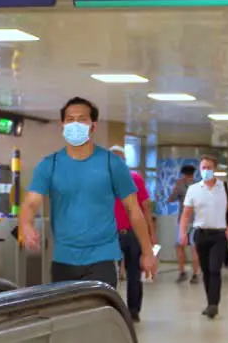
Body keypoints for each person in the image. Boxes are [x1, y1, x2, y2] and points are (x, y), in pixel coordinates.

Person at [19, 97, 157, 290]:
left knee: (99, 315)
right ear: (62, 125)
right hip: (64, 258)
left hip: (103, 257)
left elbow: (133, 209)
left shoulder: (112, 164)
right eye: (69, 119)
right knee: (67, 317)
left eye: (82, 119)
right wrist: (25, 224)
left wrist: (147, 251)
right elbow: (31, 202)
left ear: (93, 126)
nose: (75, 124)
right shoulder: (49, 165)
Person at [179, 154, 228, 319]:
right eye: (203, 168)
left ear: (215, 169)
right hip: (200, 234)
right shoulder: (194, 189)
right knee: (205, 270)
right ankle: (209, 302)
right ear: (199, 169)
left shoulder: (225, 188)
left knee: (214, 270)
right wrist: (182, 233)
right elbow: (186, 215)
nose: (206, 171)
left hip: (219, 235)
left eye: (209, 168)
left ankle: (214, 305)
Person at [109, 145, 155, 322]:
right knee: (109, 272)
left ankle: (133, 310)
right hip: (110, 233)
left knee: (134, 272)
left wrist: (151, 232)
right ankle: (111, 307)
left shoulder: (135, 178)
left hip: (134, 234)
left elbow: (145, 207)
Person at [167, 164, 201, 284]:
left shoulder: (180, 186)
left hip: (184, 221)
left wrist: (176, 187)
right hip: (197, 221)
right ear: (193, 174)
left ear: (183, 174)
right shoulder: (199, 186)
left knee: (179, 247)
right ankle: (195, 275)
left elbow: (170, 200)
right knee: (195, 249)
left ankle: (182, 272)